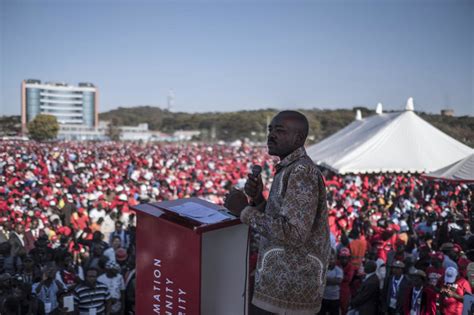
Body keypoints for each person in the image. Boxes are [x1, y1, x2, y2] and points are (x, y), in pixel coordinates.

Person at [241, 111, 330, 314]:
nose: (271, 135)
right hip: (279, 292)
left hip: (288, 294)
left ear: (298, 139)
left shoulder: (301, 171)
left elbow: (294, 233)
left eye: (279, 131)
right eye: (270, 129)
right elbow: (282, 220)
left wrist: (244, 211)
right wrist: (258, 199)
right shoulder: (289, 168)